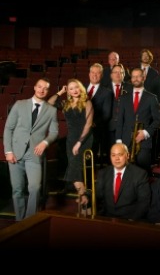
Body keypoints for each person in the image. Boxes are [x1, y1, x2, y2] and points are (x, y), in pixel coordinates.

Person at [3, 78, 59, 221]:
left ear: (48, 91)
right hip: (15, 153)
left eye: (45, 88)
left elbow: (54, 132)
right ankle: (19, 220)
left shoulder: (51, 110)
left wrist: (45, 143)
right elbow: (8, 128)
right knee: (17, 190)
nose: (41, 90)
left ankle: (29, 221)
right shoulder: (19, 104)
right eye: (39, 87)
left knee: (35, 188)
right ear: (34, 87)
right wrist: (8, 151)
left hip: (35, 154)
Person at [48, 79, 94, 208]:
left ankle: (83, 195)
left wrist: (79, 142)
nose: (74, 90)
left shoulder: (87, 102)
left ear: (80, 89)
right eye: (71, 88)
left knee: (75, 165)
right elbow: (49, 103)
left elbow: (88, 125)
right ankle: (84, 196)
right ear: (68, 90)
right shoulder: (65, 103)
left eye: (76, 87)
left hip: (84, 138)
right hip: (71, 139)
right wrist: (60, 91)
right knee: (74, 165)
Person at [115, 68, 160, 173]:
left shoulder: (151, 98)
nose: (136, 79)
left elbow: (158, 120)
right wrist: (118, 141)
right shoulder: (123, 98)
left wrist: (145, 133)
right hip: (125, 141)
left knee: (143, 171)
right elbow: (119, 122)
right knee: (125, 172)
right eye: (133, 76)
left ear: (144, 78)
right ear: (131, 79)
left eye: (138, 76)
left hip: (143, 143)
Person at [96, 143, 151, 221]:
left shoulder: (140, 174)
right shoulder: (103, 173)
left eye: (120, 155)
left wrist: (132, 220)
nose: (116, 158)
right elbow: (98, 196)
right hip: (106, 218)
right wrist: (86, 197)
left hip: (129, 220)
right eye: (113, 155)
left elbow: (144, 203)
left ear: (127, 155)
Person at [85, 63, 113, 167]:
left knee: (90, 158)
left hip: (95, 130)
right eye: (92, 72)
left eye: (98, 73)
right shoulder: (81, 88)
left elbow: (106, 114)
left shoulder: (107, 92)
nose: (94, 75)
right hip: (79, 128)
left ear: (101, 75)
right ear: (89, 74)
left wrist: (91, 124)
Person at [107, 63, 133, 152]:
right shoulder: (105, 88)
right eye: (115, 72)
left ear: (124, 75)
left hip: (125, 127)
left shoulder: (131, 88)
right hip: (109, 126)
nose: (118, 74)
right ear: (111, 75)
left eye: (121, 72)